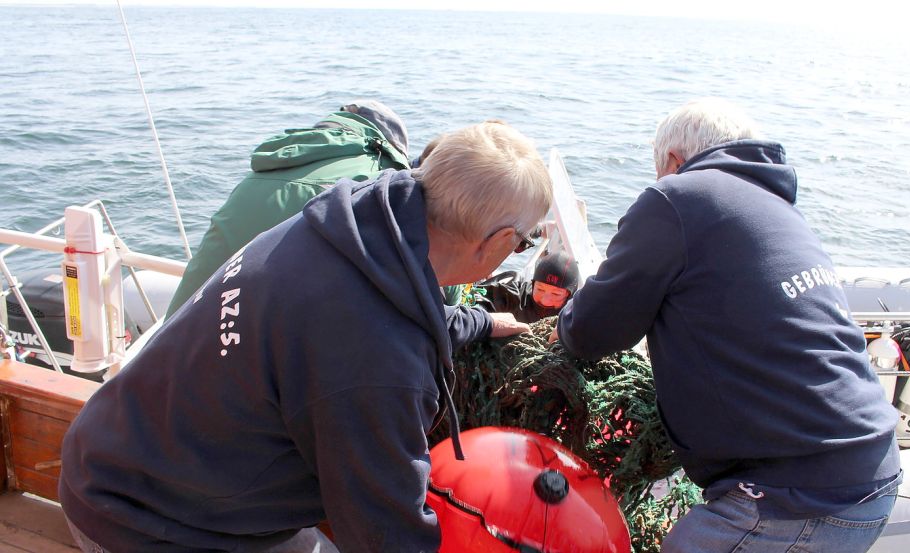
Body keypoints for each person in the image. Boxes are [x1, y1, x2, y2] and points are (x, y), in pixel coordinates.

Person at [59, 121, 554, 552]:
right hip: (150, 524)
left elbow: (383, 315)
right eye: (524, 243)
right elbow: (386, 533)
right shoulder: (378, 364)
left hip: (114, 458)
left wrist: (482, 323)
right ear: (500, 243)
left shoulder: (354, 224)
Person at [551, 98, 901, 552]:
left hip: (794, 494)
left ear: (674, 161)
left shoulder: (677, 196)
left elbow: (591, 332)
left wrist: (559, 323)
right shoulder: (777, 206)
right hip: (872, 471)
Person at [165, 99, 412, 318]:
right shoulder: (379, 184)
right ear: (390, 148)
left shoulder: (263, 171)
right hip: (257, 354)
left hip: (171, 343)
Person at [473, 250, 580, 323]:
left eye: (556, 294)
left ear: (569, 295)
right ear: (533, 284)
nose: (545, 300)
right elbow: (481, 299)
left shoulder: (576, 314)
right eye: (540, 289)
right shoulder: (515, 296)